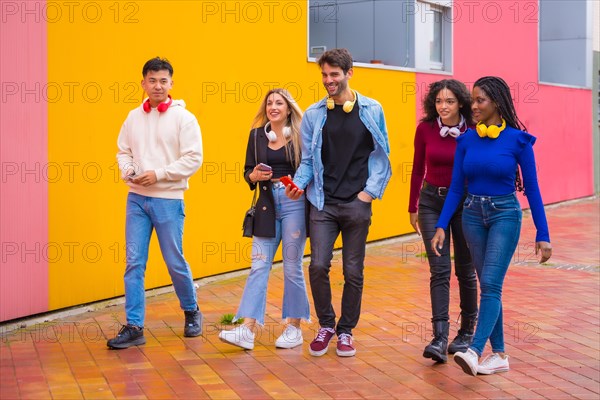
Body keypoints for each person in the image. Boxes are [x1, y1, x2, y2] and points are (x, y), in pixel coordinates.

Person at [431, 76, 552, 375]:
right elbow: (457, 187)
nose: (473, 106)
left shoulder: (518, 141)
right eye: (472, 100)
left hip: (505, 215)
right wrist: (442, 225)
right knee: (488, 286)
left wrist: (543, 233)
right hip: (472, 214)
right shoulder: (467, 140)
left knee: (492, 285)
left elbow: (533, 189)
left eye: (480, 100)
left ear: (496, 103)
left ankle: (474, 350)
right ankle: (499, 355)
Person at [286, 48, 391, 357]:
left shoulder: (372, 109)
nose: (328, 80)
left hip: (357, 202)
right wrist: (298, 184)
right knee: (317, 266)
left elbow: (383, 156)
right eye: (324, 75)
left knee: (353, 270)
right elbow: (307, 161)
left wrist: (368, 193)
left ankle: (346, 331)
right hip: (323, 203)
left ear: (349, 73)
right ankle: (327, 325)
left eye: (334, 74)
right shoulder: (315, 114)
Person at [108, 57, 203, 349]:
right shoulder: (133, 116)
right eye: (152, 80)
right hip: (136, 198)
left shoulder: (184, 118)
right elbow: (122, 151)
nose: (158, 86)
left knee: (174, 261)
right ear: (143, 83)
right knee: (134, 262)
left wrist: (159, 174)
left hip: (168, 200)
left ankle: (191, 311)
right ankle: (135, 326)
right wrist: (128, 170)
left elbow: (193, 158)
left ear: (171, 84)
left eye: (163, 80)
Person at [218, 89, 310, 350]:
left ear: (289, 108)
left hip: (294, 202)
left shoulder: (302, 135)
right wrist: (253, 177)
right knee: (259, 266)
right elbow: (247, 170)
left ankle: (294, 327)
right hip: (266, 204)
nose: (273, 107)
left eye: (279, 103)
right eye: (269, 103)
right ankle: (247, 329)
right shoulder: (256, 135)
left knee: (292, 266)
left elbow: (310, 167)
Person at [408, 79, 478, 363]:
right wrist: (412, 206)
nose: (443, 106)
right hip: (430, 203)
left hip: (464, 204)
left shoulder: (474, 131)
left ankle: (467, 332)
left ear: (460, 102)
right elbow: (416, 169)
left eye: (449, 101)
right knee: (439, 269)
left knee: (465, 269)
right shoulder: (425, 129)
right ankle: (439, 338)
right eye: (438, 101)